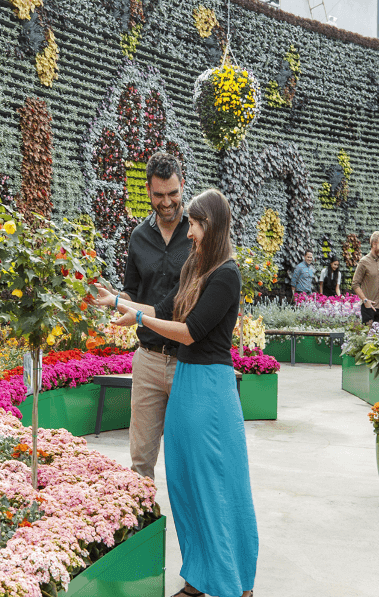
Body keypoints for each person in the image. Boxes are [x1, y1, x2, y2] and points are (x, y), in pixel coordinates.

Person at [95, 189, 258, 597]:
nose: (190, 231)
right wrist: (116, 302)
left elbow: (189, 331)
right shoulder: (194, 267)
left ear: (212, 226)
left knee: (215, 487)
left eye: (196, 224)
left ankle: (235, 582)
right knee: (185, 485)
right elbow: (162, 311)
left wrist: (139, 319)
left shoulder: (226, 274)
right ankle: (198, 578)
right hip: (187, 384)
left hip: (210, 390)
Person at [120, 152, 192, 482]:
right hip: (148, 359)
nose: (167, 202)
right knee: (140, 460)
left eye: (173, 193)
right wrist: (110, 300)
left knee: (189, 457)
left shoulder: (197, 233)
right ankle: (144, 512)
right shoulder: (139, 236)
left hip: (188, 360)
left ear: (183, 185)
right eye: (159, 194)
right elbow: (131, 293)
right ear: (148, 190)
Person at [352, 231, 379, 325]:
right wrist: (365, 300)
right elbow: (355, 284)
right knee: (367, 334)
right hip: (368, 308)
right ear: (374, 244)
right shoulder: (364, 262)